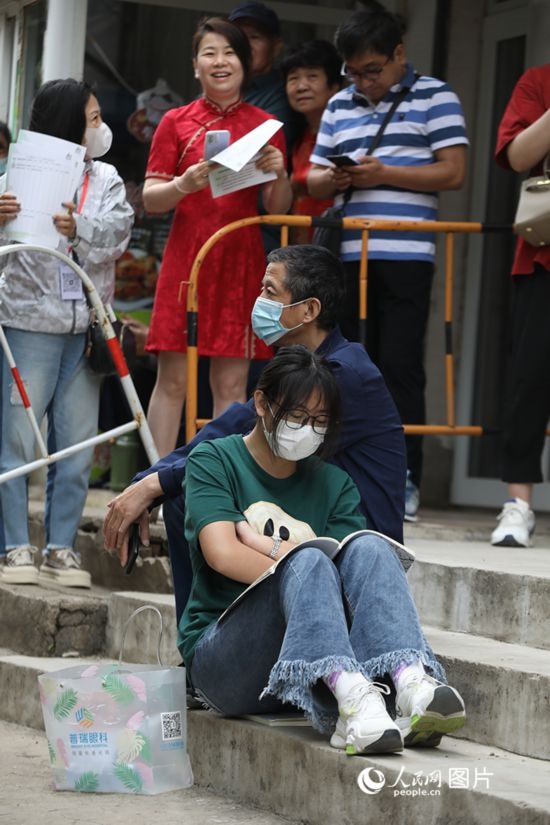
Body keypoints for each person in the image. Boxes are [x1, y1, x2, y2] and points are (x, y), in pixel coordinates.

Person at [150, 345, 466, 755]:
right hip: (224, 664)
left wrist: (267, 543)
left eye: (319, 422)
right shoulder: (216, 459)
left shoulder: (335, 484)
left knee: (370, 546)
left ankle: (410, 682)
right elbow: (223, 554)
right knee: (312, 560)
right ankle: (352, 698)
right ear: (261, 403)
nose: (307, 430)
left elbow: (343, 581)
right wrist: (299, 559)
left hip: (306, 674)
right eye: (297, 417)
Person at [103, 244, 407, 624]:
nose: (258, 301)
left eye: (269, 291)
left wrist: (154, 485)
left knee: (192, 498)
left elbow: (242, 438)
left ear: (309, 310)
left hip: (356, 549)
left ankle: (210, 639)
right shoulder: (298, 367)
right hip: (305, 523)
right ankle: (206, 637)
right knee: (193, 497)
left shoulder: (344, 374)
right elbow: (229, 430)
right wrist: (148, 482)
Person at [307, 6, 468, 521]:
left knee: (399, 367)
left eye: (372, 70)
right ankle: (343, 474)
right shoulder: (339, 104)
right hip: (349, 253)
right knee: (347, 364)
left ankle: (405, 479)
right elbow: (311, 179)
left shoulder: (437, 96)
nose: (364, 82)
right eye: (354, 72)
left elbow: (454, 172)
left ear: (400, 54)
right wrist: (335, 179)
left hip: (406, 254)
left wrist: (384, 174)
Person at [0, 78, 133, 587]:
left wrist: (81, 229)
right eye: (93, 118)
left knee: (76, 447)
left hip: (87, 328)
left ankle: (61, 548)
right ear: (67, 123)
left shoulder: (108, 179)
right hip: (27, 323)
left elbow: (118, 235)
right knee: (17, 441)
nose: (101, 128)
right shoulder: (18, 172)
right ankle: (15, 547)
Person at [143, 17, 292, 458]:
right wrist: (183, 184)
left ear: (245, 65)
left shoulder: (267, 125)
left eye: (230, 53)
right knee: (171, 379)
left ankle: (220, 485)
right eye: (210, 53)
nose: (220, 61)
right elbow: (152, 199)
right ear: (195, 66)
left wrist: (280, 171)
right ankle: (149, 482)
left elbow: (278, 207)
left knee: (231, 383)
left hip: (240, 258)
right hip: (186, 257)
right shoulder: (175, 122)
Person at [490, 65, 550, 547]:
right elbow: (516, 155)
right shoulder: (538, 80)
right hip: (545, 255)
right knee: (530, 380)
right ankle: (519, 503)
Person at [281, 40, 342, 244]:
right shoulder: (297, 136)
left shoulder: (345, 134)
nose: (301, 86)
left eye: (312, 76)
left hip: (335, 244)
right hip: (302, 248)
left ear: (334, 86)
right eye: (293, 78)